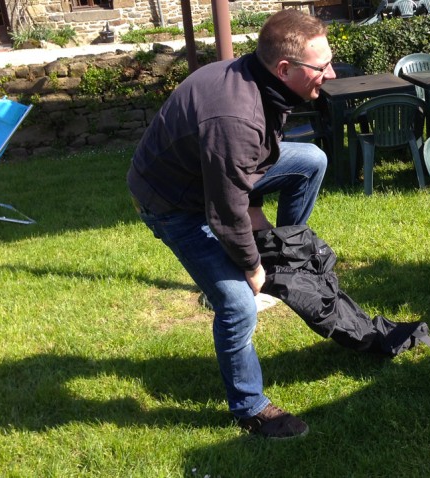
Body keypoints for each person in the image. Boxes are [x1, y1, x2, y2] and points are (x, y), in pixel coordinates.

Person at [127, 9, 335, 439]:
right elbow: (225, 209)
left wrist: (262, 230)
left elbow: (250, 164)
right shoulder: (234, 117)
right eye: (322, 67)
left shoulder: (262, 82)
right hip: (173, 203)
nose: (330, 73)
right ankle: (250, 407)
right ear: (285, 68)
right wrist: (251, 265)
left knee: (311, 160)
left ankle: (285, 254)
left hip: (210, 177)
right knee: (238, 304)